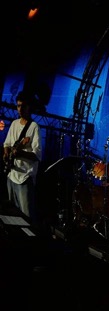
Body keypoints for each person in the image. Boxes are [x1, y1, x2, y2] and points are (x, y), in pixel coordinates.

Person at [3, 91, 43, 220]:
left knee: (27, 217)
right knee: (12, 215)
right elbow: (7, 143)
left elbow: (37, 155)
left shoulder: (34, 127)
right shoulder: (14, 123)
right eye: (18, 106)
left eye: (23, 106)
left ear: (29, 107)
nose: (20, 109)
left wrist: (20, 153)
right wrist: (6, 152)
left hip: (25, 177)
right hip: (11, 174)